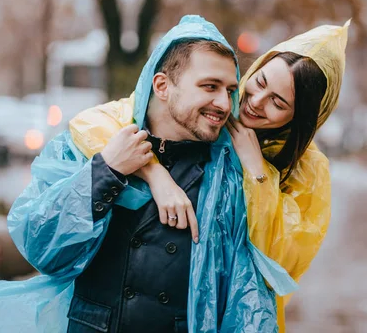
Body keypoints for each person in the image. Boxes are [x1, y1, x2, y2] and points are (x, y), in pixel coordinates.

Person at [0, 16, 281, 332]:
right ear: (162, 86)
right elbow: (43, 249)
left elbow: (243, 293)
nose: (224, 103)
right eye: (210, 86)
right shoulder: (88, 147)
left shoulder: (227, 176)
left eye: (230, 90)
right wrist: (106, 171)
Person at [70, 20, 350, 331]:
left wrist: (256, 170)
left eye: (278, 102)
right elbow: (95, 123)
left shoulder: (307, 170)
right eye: (260, 82)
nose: (256, 101)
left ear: (298, 118)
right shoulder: (210, 111)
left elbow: (281, 261)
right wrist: (155, 173)